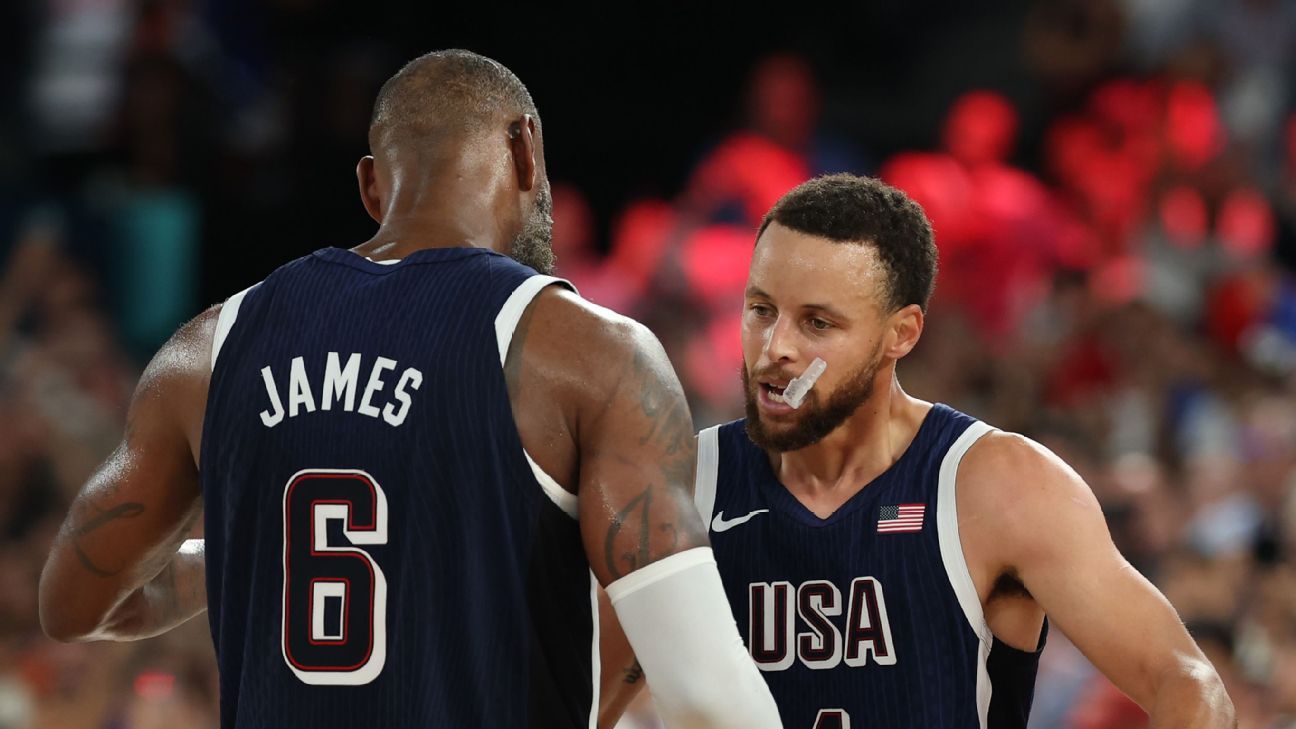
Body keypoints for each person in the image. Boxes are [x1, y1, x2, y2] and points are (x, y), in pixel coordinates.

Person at [38, 49, 780, 729]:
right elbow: (709, 695)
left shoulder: (209, 348)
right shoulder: (589, 351)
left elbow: (71, 603)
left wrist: (239, 551)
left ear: (370, 186)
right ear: (527, 149)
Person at [599, 174, 1234, 728]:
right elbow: (568, 702)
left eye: (818, 323)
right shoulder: (677, 488)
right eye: (760, 310)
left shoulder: (994, 486)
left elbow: (1190, 686)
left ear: (900, 334)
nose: (774, 349)